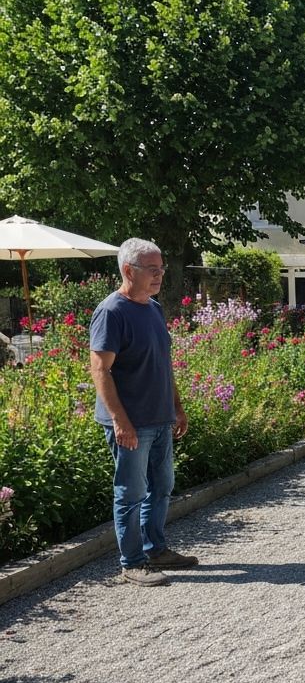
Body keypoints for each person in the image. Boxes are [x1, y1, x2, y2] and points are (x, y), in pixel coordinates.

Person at [89, 238, 197, 586]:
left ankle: (156, 548)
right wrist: (121, 421)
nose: (159, 276)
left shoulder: (153, 308)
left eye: (161, 269)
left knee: (162, 487)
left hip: (160, 417)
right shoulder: (111, 312)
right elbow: (100, 371)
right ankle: (132, 562)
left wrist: (177, 407)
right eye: (152, 270)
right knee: (131, 492)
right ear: (128, 270)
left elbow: (163, 364)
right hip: (130, 423)